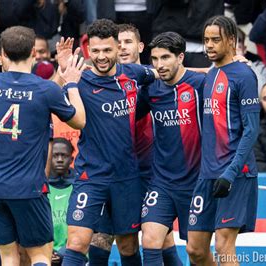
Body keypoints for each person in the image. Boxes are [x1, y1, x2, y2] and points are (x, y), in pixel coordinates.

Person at [0, 25, 85, 265]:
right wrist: (71, 83)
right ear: (34, 52)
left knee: (9, 257)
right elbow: (79, 121)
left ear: (3, 53)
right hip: (29, 188)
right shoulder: (46, 89)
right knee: (40, 255)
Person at [60, 19, 157, 266]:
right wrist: (65, 77)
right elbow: (54, 104)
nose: (101, 56)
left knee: (128, 245)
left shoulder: (134, 74)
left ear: (117, 48)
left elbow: (169, 72)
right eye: (95, 51)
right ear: (87, 51)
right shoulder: (79, 81)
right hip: (90, 176)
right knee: (77, 243)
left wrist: (216, 69)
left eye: (107, 50)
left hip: (127, 177)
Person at [88, 24, 181, 266]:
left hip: (150, 171)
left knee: (161, 240)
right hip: (111, 172)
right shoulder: (97, 80)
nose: (123, 47)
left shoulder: (156, 79)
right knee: (103, 240)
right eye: (118, 43)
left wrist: (223, 69)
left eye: (128, 41)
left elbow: (181, 70)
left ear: (139, 46)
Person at [186, 16, 260, 265]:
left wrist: (231, 173)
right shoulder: (210, 74)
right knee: (195, 249)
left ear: (231, 41)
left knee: (223, 245)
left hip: (235, 173)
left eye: (215, 40)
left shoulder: (245, 75)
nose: (208, 45)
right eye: (206, 40)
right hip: (207, 174)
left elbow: (251, 130)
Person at [136, 31, 204, 266]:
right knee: (150, 239)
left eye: (165, 58)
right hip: (162, 181)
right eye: (154, 59)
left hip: (196, 183)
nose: (159, 65)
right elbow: (128, 117)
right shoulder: (151, 89)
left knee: (196, 252)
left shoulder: (200, 85)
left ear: (180, 57)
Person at [48, 138, 77, 265]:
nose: (59, 159)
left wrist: (63, 253)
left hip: (74, 254)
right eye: (55, 155)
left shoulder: (80, 186)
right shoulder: (38, 187)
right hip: (43, 253)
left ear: (71, 159)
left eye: (64, 155)